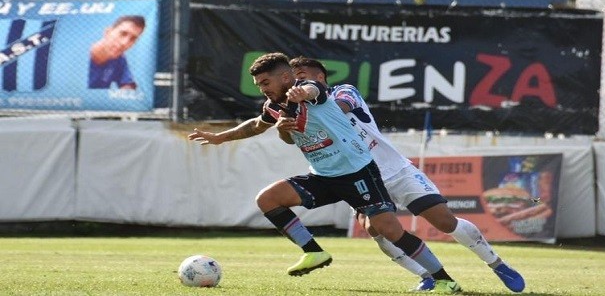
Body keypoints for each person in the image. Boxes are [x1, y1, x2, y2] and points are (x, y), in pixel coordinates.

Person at [188, 52, 462, 294]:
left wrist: (302, 92)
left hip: (358, 172)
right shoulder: (275, 106)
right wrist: (220, 138)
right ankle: (314, 252)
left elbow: (312, 89)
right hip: (323, 176)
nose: (262, 90)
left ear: (286, 77)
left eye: (265, 83)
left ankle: (444, 280)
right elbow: (257, 126)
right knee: (268, 199)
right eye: (259, 85)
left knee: (390, 230)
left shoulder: (311, 90)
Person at [285, 56, 525, 293]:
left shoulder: (343, 92)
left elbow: (339, 108)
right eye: (293, 82)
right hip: (359, 176)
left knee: (444, 221)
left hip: (395, 170)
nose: (297, 86)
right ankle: (428, 276)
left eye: (302, 79)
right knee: (376, 230)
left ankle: (497, 264)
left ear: (319, 78)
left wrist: (308, 101)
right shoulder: (300, 112)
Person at [88, 15, 145, 89]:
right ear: (107, 32)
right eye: (123, 34)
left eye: (133, 39)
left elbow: (128, 85)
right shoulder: (79, 56)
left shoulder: (119, 59)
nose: (124, 43)